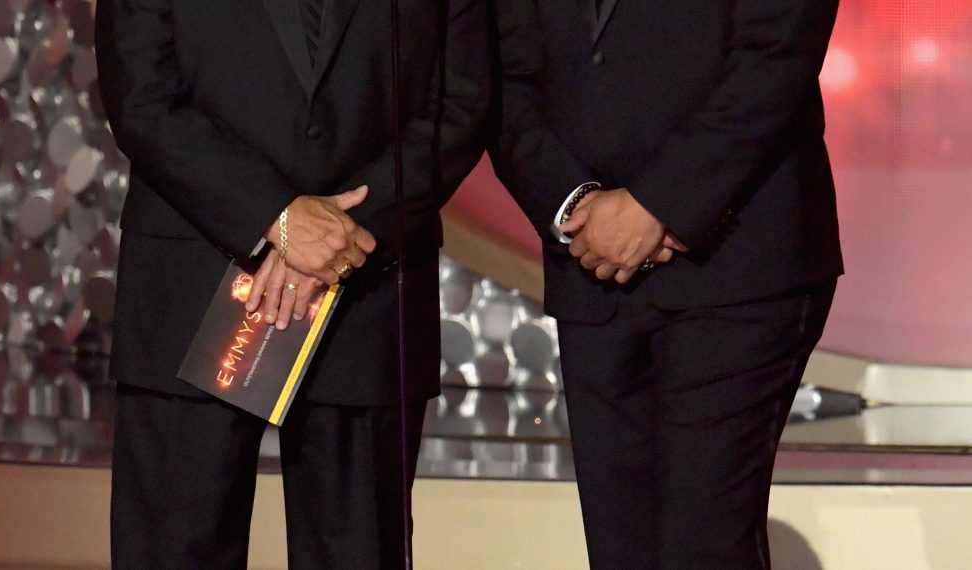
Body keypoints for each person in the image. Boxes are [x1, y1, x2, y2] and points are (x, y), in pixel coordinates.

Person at [95, 0, 489, 566]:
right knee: (176, 547)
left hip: (368, 291)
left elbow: (463, 102)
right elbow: (140, 94)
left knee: (357, 551)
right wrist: (276, 216)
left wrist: (338, 235)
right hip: (192, 279)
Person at [489, 1, 842, 568]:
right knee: (620, 543)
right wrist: (574, 203)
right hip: (591, 267)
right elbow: (496, 78)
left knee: (704, 542)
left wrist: (662, 205)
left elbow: (777, 52)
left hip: (739, 261)